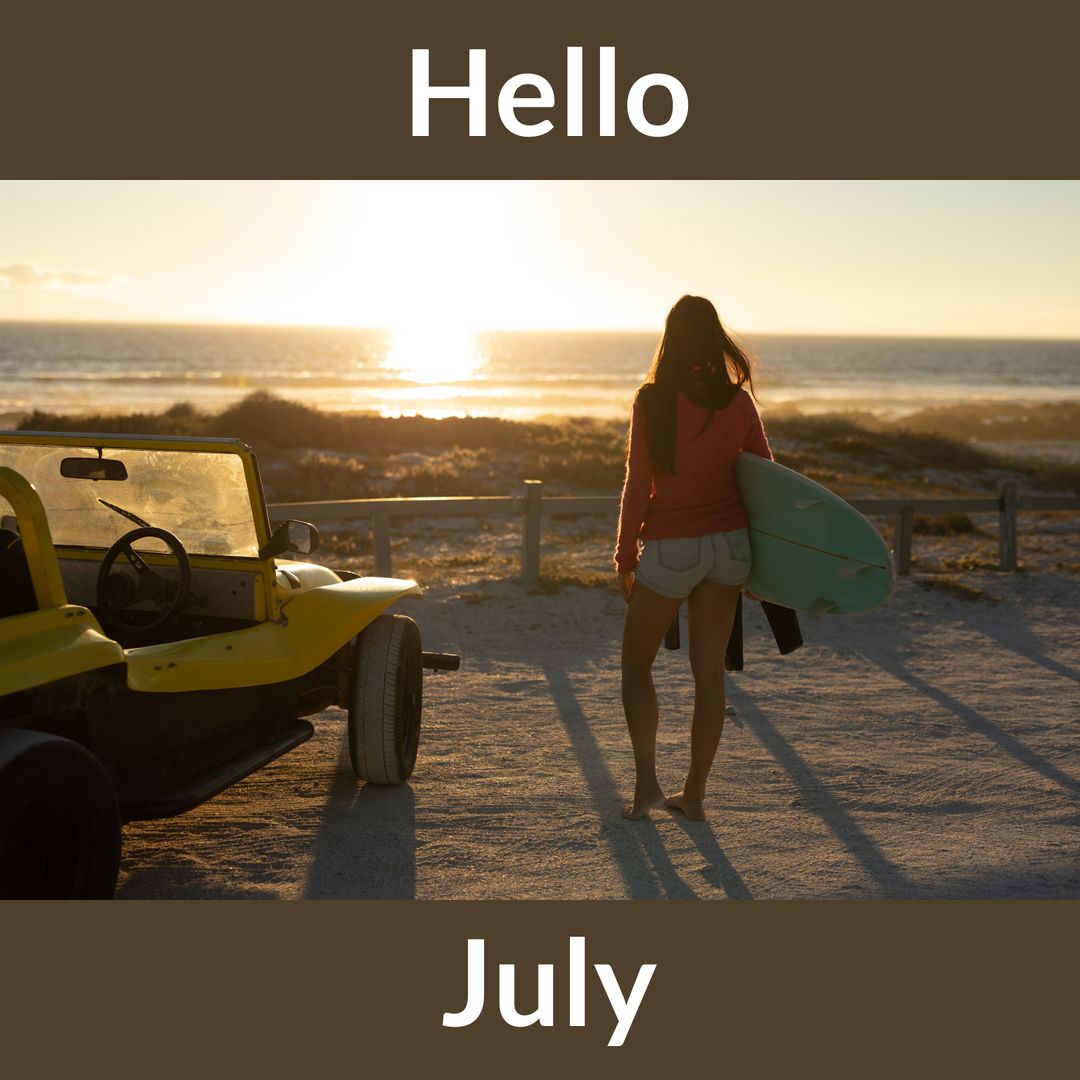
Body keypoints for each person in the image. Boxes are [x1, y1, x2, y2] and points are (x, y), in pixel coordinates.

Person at [614, 295, 773, 821]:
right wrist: (763, 565)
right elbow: (764, 483)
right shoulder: (740, 405)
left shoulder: (653, 401)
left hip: (673, 548)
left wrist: (624, 554)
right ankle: (696, 796)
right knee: (709, 676)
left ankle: (646, 789)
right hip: (730, 549)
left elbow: (638, 483)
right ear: (714, 338)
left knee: (637, 665)